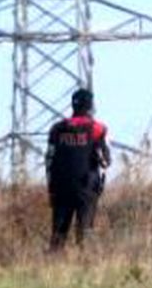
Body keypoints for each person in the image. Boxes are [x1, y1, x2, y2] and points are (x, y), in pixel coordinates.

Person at [45, 88, 111, 251]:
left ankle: (53, 268)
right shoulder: (97, 129)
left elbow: (48, 160)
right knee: (85, 233)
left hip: (60, 188)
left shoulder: (57, 129)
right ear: (90, 107)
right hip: (86, 188)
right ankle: (84, 267)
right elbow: (106, 161)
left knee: (58, 235)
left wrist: (51, 188)